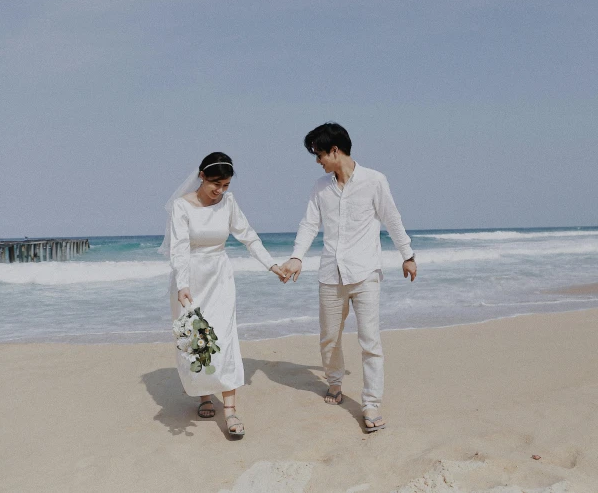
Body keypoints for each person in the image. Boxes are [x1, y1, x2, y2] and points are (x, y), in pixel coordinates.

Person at [280, 123, 417, 433]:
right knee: (329, 338)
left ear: (335, 151)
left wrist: (407, 256)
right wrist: (297, 256)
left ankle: (370, 403)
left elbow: (392, 219)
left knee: (370, 341)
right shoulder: (320, 187)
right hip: (331, 274)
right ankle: (335, 381)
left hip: (366, 272)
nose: (317, 161)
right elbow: (308, 225)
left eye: (319, 155)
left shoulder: (374, 181)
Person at [160, 152, 285, 437]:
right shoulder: (182, 206)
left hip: (219, 276)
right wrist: (182, 284)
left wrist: (272, 265)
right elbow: (179, 248)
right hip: (190, 278)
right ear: (202, 176)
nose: (220, 190)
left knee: (225, 339)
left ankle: (229, 410)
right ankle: (204, 395)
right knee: (197, 341)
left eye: (226, 185)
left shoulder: (228, 203)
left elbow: (248, 236)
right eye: (216, 183)